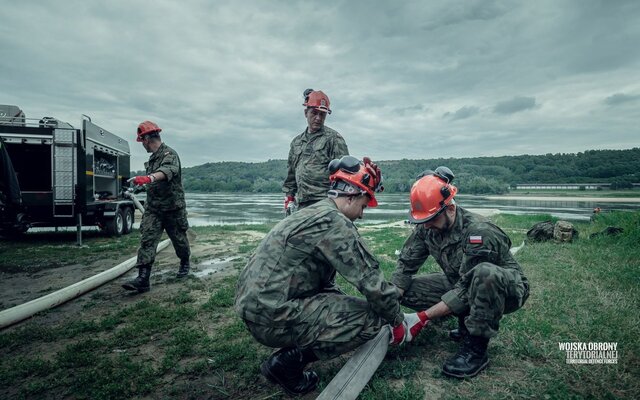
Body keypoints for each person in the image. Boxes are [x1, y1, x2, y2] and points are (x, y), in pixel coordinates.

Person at [236, 156, 408, 396]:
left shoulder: (313, 212)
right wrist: (397, 321)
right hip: (269, 317)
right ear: (351, 196)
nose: (361, 214)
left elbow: (322, 283)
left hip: (254, 307)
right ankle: (288, 363)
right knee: (372, 318)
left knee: (342, 302)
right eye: (364, 205)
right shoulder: (335, 222)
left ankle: (292, 349)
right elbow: (372, 283)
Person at [393, 167, 529, 378]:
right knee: (408, 290)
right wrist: (390, 302)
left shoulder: (479, 232)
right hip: (460, 282)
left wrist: (422, 317)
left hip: (503, 289)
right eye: (423, 220)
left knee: (484, 274)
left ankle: (476, 349)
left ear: (450, 209)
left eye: (431, 220)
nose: (427, 225)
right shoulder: (427, 224)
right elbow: (406, 264)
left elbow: (469, 287)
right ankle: (465, 325)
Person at [123, 121, 190, 293]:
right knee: (147, 240)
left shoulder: (169, 154)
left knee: (179, 241)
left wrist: (148, 178)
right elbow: (152, 182)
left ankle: (184, 262)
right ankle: (143, 279)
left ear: (147, 138)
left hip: (173, 209)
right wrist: (137, 187)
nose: (142, 145)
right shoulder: (152, 159)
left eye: (142, 141)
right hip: (154, 210)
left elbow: (166, 172)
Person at [282, 89, 349, 213]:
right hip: (301, 204)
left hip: (325, 203)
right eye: (314, 113)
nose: (318, 118)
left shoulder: (334, 139)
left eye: (322, 114)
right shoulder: (296, 142)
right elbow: (291, 175)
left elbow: (345, 175)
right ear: (305, 113)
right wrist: (289, 198)